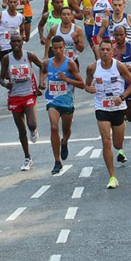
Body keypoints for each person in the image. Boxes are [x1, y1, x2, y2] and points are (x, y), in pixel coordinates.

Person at [85, 39, 131, 189]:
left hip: (118, 107)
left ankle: (123, 126)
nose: (105, 52)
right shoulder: (92, 68)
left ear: (113, 51)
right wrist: (91, 89)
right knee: (106, 140)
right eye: (102, 50)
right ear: (98, 51)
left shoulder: (119, 66)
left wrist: (121, 97)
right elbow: (86, 86)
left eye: (108, 49)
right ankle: (112, 176)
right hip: (101, 107)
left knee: (117, 143)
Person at [42, 34, 86, 174]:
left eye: (61, 48)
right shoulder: (47, 63)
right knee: (54, 128)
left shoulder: (70, 64)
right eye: (55, 48)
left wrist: (66, 79)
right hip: (52, 100)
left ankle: (64, 142)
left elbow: (82, 84)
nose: (58, 50)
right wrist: (42, 82)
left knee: (65, 131)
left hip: (67, 101)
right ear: (52, 49)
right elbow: (43, 72)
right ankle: (57, 161)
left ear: (64, 48)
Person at [0, 33, 44, 171]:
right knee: (21, 130)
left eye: (19, 41)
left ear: (22, 42)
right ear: (10, 43)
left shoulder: (29, 55)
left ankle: (34, 130)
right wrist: (6, 84)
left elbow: (42, 66)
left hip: (29, 93)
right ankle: (27, 158)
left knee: (31, 124)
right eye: (14, 41)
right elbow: (1, 78)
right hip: (14, 96)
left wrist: (40, 83)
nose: (16, 44)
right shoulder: (7, 59)